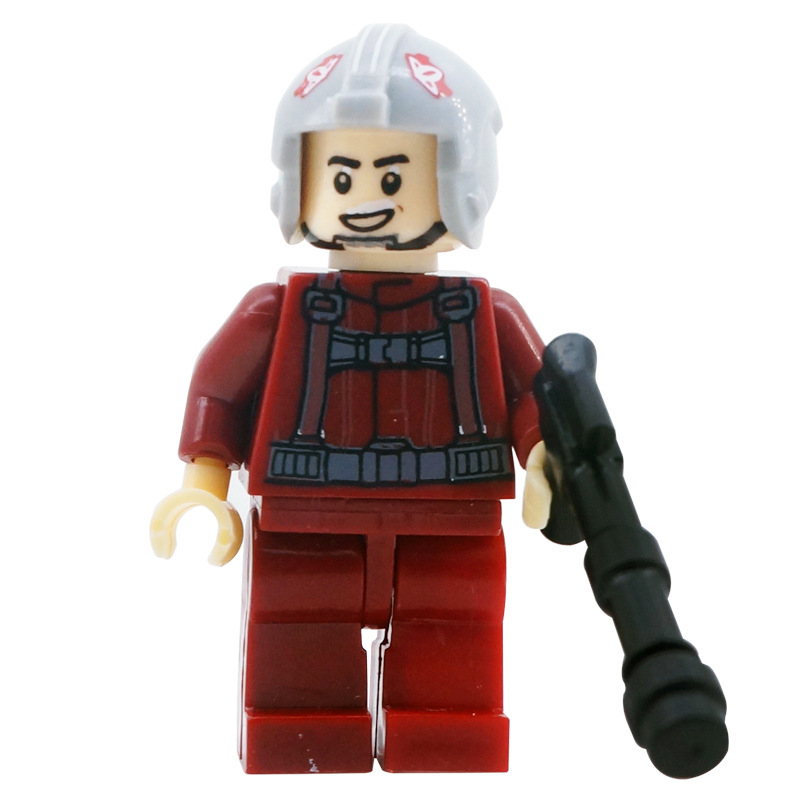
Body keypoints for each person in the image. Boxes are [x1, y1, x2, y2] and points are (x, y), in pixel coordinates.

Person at [151, 23, 551, 774]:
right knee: (299, 632)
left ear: (460, 183)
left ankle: (442, 730)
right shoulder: (275, 310)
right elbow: (220, 388)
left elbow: (540, 395)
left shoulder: (488, 315)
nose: (365, 199)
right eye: (341, 178)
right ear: (299, 179)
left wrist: (546, 459)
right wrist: (202, 485)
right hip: (306, 519)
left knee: (453, 636)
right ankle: (303, 730)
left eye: (393, 178)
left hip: (451, 523)